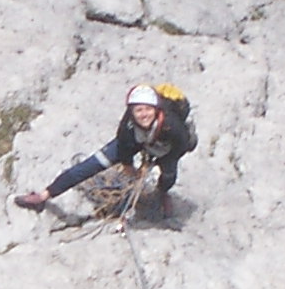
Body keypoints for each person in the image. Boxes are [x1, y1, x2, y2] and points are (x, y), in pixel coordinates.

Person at [16, 83, 194, 216]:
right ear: (132, 112)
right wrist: (128, 165)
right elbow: (124, 143)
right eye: (139, 110)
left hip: (167, 146)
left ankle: (162, 193)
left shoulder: (172, 126)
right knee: (91, 165)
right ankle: (43, 196)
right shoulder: (128, 124)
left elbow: (181, 147)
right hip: (136, 140)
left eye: (148, 109)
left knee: (169, 173)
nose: (143, 115)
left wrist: (155, 160)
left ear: (156, 110)